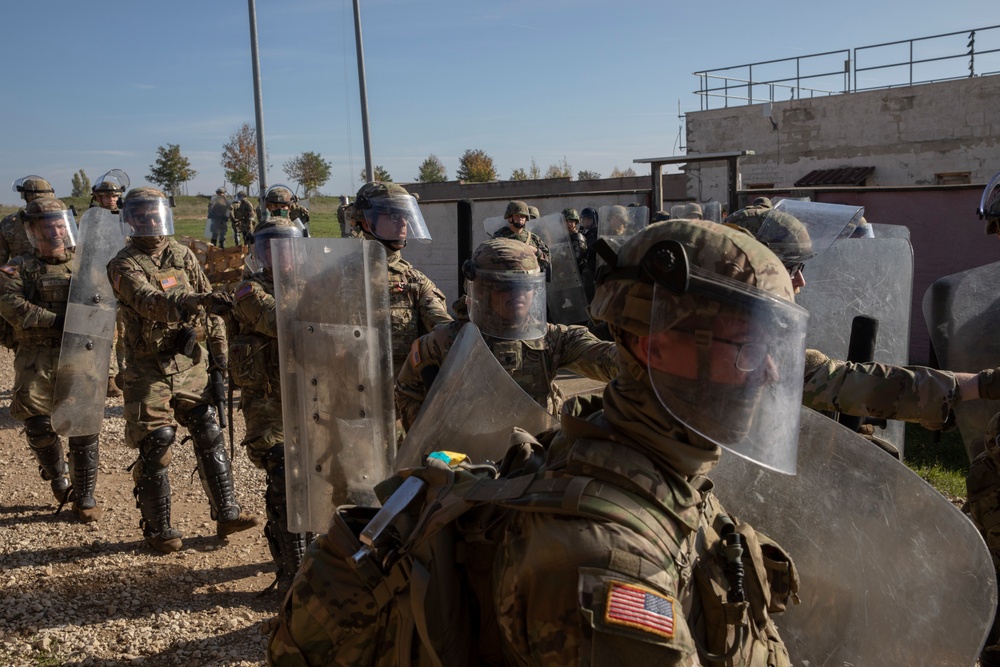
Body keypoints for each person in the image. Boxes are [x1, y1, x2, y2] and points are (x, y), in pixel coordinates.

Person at [268, 219, 803, 665]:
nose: (771, 373)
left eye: (524, 292)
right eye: (748, 346)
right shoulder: (603, 557)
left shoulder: (562, 353)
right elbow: (408, 389)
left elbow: (603, 355)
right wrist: (432, 436)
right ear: (654, 345)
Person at [107, 187, 260, 554]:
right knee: (157, 442)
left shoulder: (182, 254)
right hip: (147, 368)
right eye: (141, 215)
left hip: (190, 362)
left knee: (209, 429)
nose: (150, 221)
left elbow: (213, 308)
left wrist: (221, 358)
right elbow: (150, 302)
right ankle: (159, 528)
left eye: (154, 213)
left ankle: (227, 512)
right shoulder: (122, 264)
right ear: (129, 220)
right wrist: (195, 301)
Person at [395, 238, 617, 430]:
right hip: (470, 464)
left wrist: (639, 347)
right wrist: (433, 434)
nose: (518, 295)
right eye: (505, 287)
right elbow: (407, 391)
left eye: (526, 287)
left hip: (536, 457)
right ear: (481, 290)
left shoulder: (551, 338)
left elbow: (607, 359)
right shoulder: (446, 342)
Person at [0, 198, 104, 522]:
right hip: (37, 354)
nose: (56, 230)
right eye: (48, 225)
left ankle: (85, 496)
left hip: (79, 352)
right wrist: (55, 320)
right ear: (33, 230)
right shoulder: (17, 267)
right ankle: (58, 476)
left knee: (84, 426)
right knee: (39, 424)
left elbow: (105, 304)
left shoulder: (85, 264)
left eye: (60, 224)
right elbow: (10, 303)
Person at [227, 220, 307, 592]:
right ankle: (292, 575)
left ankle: (322, 563)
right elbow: (284, 322)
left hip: (313, 397)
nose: (281, 255)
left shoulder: (312, 285)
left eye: (288, 247)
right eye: (271, 248)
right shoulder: (248, 290)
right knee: (284, 473)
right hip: (269, 404)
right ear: (258, 252)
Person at [351, 181, 453, 374]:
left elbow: (442, 328)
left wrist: (461, 329)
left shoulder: (415, 282)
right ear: (366, 222)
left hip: (398, 395)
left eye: (405, 216)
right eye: (394, 216)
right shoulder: (338, 276)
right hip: (348, 393)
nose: (403, 223)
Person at [88, 169, 131, 398]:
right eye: (107, 196)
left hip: (123, 283)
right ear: (97, 197)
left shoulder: (125, 218)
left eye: (115, 196)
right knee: (105, 333)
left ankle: (125, 373)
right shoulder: (91, 221)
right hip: (100, 283)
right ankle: (108, 376)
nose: (112, 200)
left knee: (126, 332)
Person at [1, 175, 55, 265]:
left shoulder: (8, 223)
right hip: (61, 276)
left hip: (23, 277)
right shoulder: (62, 220)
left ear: (26, 196)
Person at [492, 200, 550, 272]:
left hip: (529, 280)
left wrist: (535, 251)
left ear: (526, 219)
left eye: (522, 216)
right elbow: (489, 258)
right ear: (510, 218)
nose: (520, 219)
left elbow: (547, 260)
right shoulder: (499, 237)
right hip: (506, 279)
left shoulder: (533, 238)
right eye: (517, 215)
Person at [561, 207, 589, 277]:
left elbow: (575, 259)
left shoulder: (578, 237)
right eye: (566, 221)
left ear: (576, 222)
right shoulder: (565, 237)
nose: (569, 223)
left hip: (576, 275)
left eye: (571, 221)